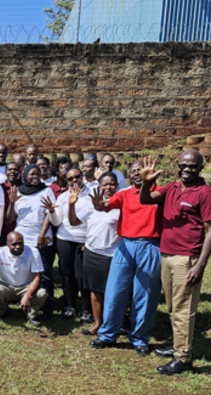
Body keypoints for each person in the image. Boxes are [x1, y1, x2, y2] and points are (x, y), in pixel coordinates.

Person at [140, 152, 211, 374]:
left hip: (187, 257)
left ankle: (183, 357)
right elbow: (145, 200)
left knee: (184, 309)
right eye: (183, 165)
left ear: (200, 167)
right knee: (172, 306)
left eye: (192, 166)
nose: (187, 169)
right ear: (177, 166)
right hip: (167, 254)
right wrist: (146, 182)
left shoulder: (205, 192)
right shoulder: (171, 187)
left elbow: (210, 230)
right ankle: (178, 345)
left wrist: (199, 265)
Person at [89, 161, 162, 357]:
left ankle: (139, 338)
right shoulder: (125, 194)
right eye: (134, 171)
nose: (138, 174)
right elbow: (105, 206)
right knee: (115, 290)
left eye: (141, 170)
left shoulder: (160, 193)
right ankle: (107, 334)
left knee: (144, 294)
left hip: (150, 245)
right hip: (126, 245)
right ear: (129, 177)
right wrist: (98, 204)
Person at [68, 172, 121, 336]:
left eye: (111, 183)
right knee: (95, 290)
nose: (108, 187)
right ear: (99, 186)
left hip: (113, 254)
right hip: (92, 252)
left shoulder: (121, 203)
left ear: (117, 186)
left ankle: (113, 324)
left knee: (113, 291)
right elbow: (74, 222)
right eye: (104, 184)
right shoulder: (89, 203)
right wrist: (71, 205)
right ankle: (98, 324)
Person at [7, 165, 56, 316]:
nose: (35, 177)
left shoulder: (47, 190)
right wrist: (12, 202)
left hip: (42, 238)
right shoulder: (18, 191)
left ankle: (47, 306)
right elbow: (10, 218)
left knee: (44, 271)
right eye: (31, 174)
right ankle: (26, 303)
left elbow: (49, 213)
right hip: (23, 238)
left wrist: (41, 234)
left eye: (37, 174)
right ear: (25, 174)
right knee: (25, 272)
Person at [44, 168, 92, 322]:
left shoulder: (92, 194)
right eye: (70, 179)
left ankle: (86, 309)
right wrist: (52, 212)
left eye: (77, 177)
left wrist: (89, 240)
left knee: (81, 276)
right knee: (67, 275)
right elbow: (57, 221)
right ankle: (70, 307)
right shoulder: (63, 197)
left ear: (82, 177)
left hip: (83, 239)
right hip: (64, 238)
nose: (74, 181)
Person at [0, 231, 48, 326]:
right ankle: (3, 311)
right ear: (7, 245)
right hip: (5, 286)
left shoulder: (33, 251)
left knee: (42, 294)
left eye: (20, 243)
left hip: (26, 286)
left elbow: (37, 277)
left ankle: (31, 314)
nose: (18, 246)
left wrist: (27, 295)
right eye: (14, 244)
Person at [0, 162, 22, 246]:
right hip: (4, 231)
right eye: (10, 169)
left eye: (15, 169)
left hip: (20, 230)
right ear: (5, 172)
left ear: (20, 172)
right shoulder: (0, 188)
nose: (12, 171)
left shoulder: (24, 189)